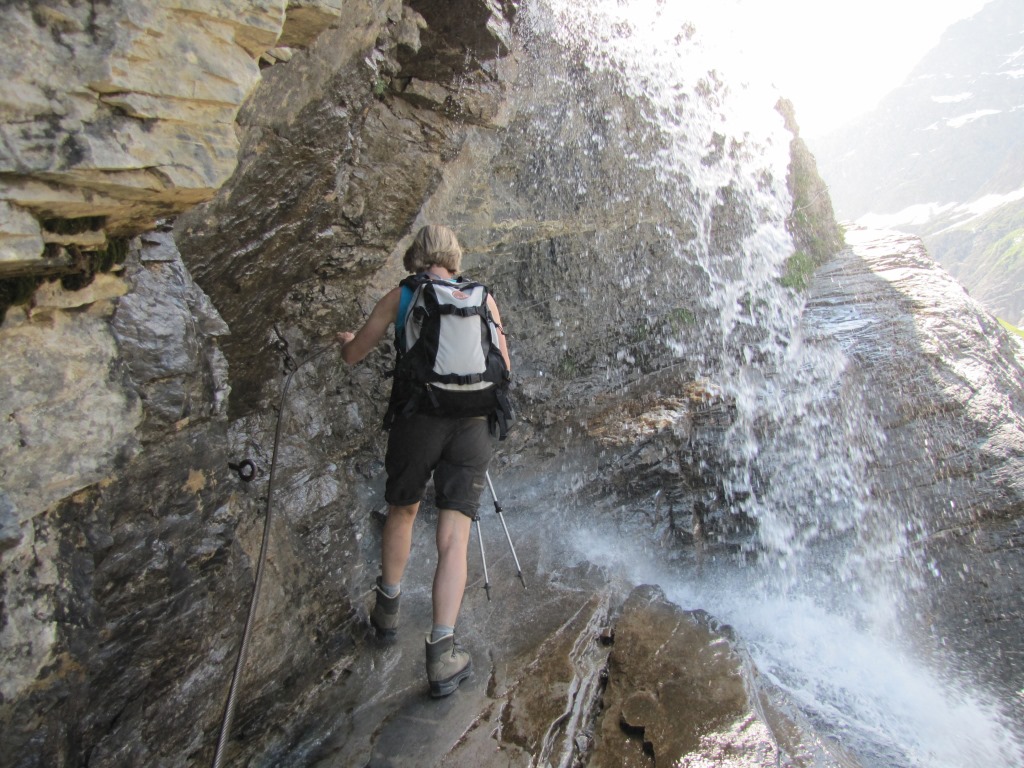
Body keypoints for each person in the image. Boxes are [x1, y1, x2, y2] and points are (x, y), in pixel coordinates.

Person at [337, 224, 510, 698]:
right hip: (473, 424)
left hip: (419, 421)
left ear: (416, 256)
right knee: (454, 537)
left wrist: (346, 340)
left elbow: (353, 355)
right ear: (454, 257)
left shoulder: (403, 296)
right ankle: (442, 656)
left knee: (404, 510)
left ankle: (386, 614)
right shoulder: (484, 299)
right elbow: (504, 368)